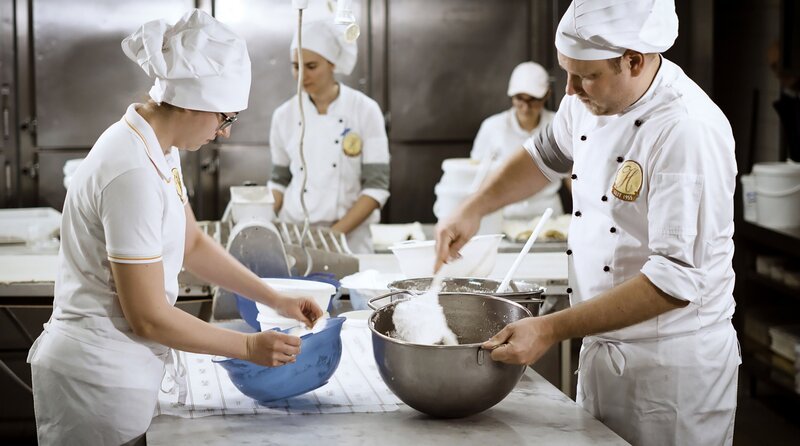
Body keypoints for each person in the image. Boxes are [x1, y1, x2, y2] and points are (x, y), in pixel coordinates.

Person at [435, 1, 740, 445]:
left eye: (586, 75)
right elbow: (544, 156)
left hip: (671, 374)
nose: (571, 90)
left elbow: (675, 280)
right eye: (567, 74)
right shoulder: (588, 99)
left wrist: (550, 329)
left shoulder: (687, 131)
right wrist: (475, 206)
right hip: (604, 349)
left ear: (634, 60)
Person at [27, 10, 323, 445]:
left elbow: (193, 243)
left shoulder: (160, 147)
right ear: (191, 103)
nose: (223, 133)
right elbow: (147, 317)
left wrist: (274, 298)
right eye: (225, 118)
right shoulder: (130, 171)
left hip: (121, 374)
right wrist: (246, 347)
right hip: (94, 388)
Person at [269, 19, 390, 254]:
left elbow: (376, 187)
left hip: (349, 241)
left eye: (311, 66)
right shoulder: (283, 115)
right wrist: (260, 222)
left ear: (332, 63)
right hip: (294, 237)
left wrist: (331, 237)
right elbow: (279, 181)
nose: (302, 75)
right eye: (296, 66)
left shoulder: (364, 110)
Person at [471, 61, 563, 217]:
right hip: (504, 214)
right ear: (511, 96)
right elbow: (476, 176)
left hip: (548, 215)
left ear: (547, 95)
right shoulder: (492, 127)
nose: (526, 108)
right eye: (520, 99)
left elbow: (573, 176)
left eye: (533, 100)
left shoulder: (558, 124)